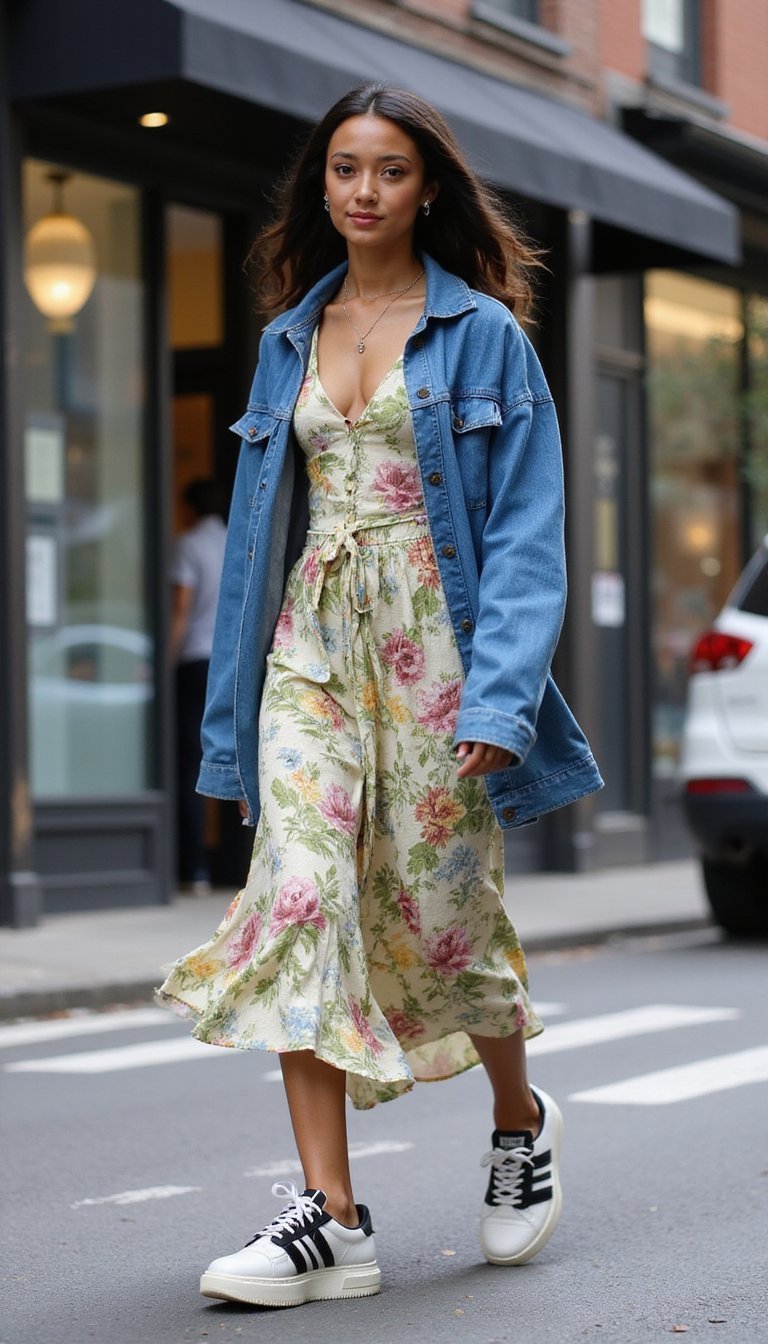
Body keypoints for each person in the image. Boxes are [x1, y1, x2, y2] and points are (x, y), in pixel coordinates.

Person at [156, 83, 602, 1309]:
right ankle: (333, 1218)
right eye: (345, 168)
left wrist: (501, 703)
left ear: (427, 188)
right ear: (323, 185)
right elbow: (259, 541)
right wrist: (232, 724)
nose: (364, 190)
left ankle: (519, 1121)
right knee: (297, 895)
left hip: (437, 656)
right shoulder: (288, 338)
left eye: (390, 170)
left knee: (444, 915)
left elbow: (526, 536)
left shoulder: (484, 336)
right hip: (309, 649)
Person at [170, 477, 227, 893]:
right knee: (231, 758)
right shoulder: (234, 541)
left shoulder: (188, 544)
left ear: (189, 508)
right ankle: (240, 866)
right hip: (230, 662)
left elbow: (181, 607)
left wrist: (165, 661)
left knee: (191, 763)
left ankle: (195, 870)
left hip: (194, 661)